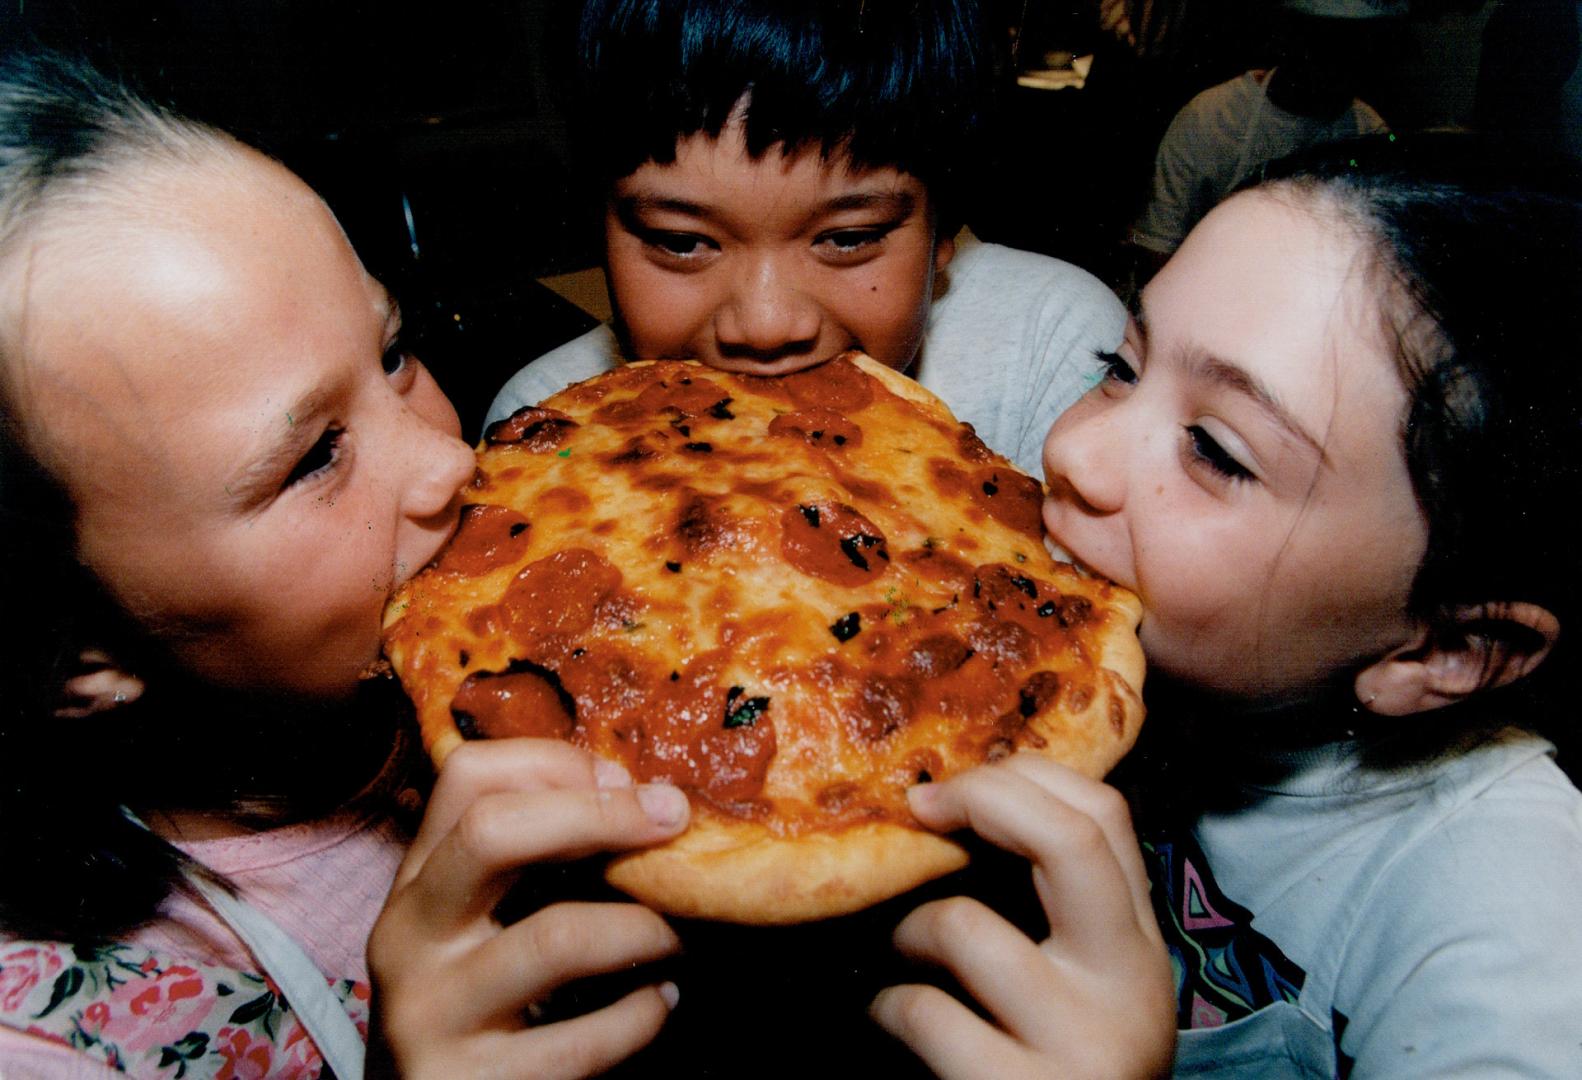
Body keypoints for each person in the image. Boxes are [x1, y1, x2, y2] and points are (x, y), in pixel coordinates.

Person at [0, 50, 695, 1079]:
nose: (453, 461)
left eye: (393, 354)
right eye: (315, 455)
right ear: (75, 654)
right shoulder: (55, 1046)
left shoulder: (480, 634)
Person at [890, 133, 1582, 1076]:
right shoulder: (1091, 650)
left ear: (1444, 651)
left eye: (1216, 450)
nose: (1073, 455)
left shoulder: (1504, 914)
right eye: (1122, 365)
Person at [484, 0, 1127, 479]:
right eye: (680, 242)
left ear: (942, 234)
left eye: (850, 237)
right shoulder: (539, 421)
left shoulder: (1057, 342)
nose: (765, 327)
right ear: (597, 236)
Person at [1126, 1, 1396, 283]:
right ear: (1291, 38)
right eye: (1326, 44)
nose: (1338, 64)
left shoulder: (1370, 131)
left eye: (1358, 48)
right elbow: (1157, 246)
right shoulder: (1212, 117)